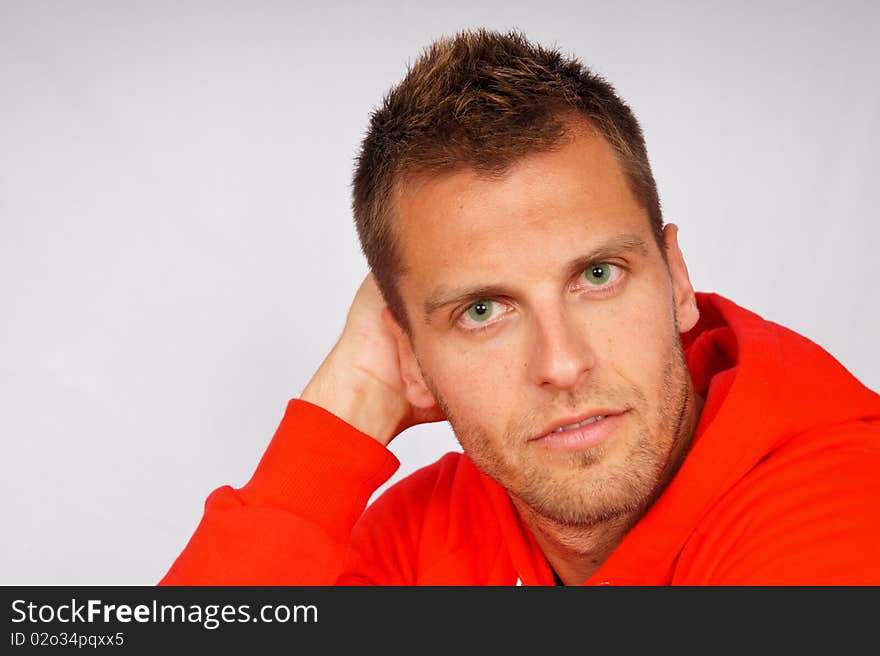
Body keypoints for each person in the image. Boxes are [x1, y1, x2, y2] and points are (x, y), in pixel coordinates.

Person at [160, 28, 880, 585]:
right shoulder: (422, 535)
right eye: (482, 312)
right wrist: (348, 409)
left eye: (598, 274)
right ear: (411, 351)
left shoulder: (838, 504)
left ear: (677, 279)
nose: (563, 364)